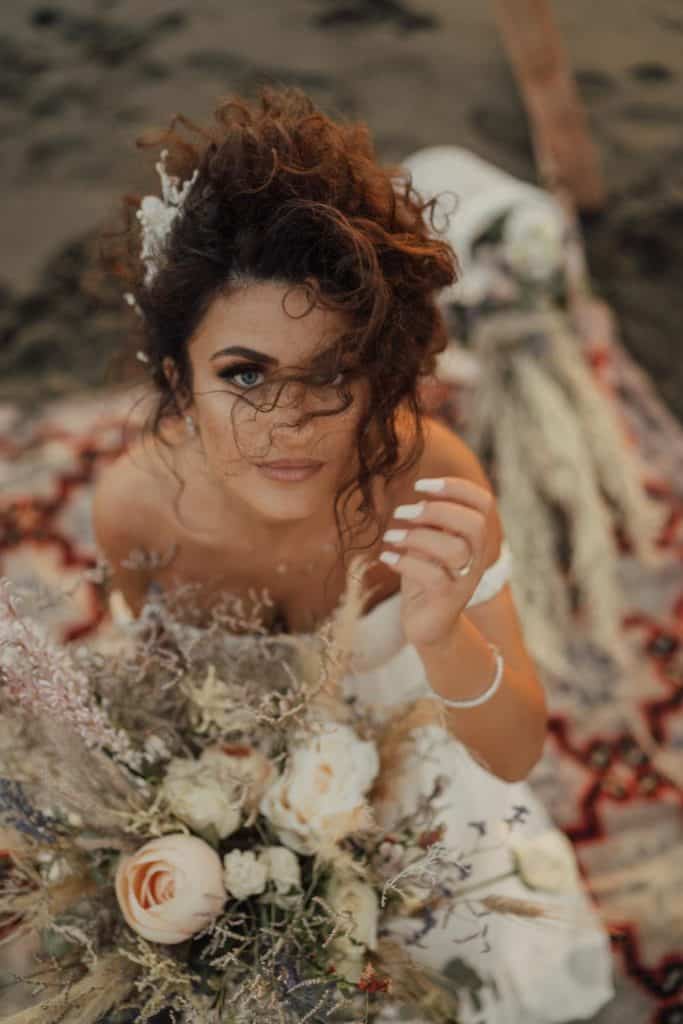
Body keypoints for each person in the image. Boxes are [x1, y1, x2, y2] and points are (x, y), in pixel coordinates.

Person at [92, 86, 615, 1023]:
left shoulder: (432, 481)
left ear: (379, 373)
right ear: (178, 379)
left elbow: (512, 754)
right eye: (243, 374)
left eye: (330, 372)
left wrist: (441, 632)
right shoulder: (134, 510)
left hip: (425, 809)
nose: (287, 421)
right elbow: (158, 697)